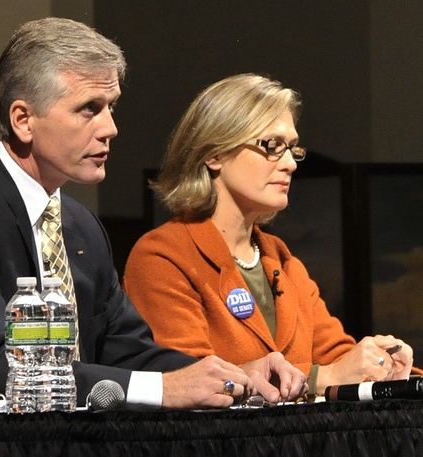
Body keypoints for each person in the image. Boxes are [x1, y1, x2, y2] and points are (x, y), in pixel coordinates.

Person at [0, 18, 306, 409]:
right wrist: (165, 389)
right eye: (89, 108)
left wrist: (235, 376)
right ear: (23, 120)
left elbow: (129, 352)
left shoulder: (80, 226)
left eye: (111, 106)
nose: (110, 128)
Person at [123, 73, 416, 397]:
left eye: (292, 149)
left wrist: (387, 369)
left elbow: (338, 357)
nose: (290, 163)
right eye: (273, 146)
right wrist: (322, 377)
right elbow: (190, 380)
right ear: (215, 154)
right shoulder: (163, 256)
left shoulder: (280, 257)